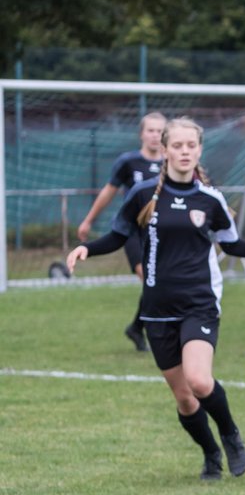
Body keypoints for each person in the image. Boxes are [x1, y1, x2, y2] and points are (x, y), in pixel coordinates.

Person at [65, 117, 245, 481]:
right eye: (177, 146)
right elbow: (118, 236)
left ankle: (230, 435)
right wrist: (85, 248)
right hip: (156, 310)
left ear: (199, 150)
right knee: (184, 398)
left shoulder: (210, 199)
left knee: (199, 380)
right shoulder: (143, 195)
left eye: (190, 146)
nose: (184, 152)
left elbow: (232, 244)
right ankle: (210, 454)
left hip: (199, 303)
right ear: (164, 150)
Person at [77, 111, 167, 352]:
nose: (155, 135)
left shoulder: (171, 164)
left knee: (156, 283)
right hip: (132, 233)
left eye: (160, 131)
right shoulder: (128, 162)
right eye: (151, 130)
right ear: (141, 134)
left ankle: (136, 327)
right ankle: (147, 329)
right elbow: (108, 191)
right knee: (148, 279)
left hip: (160, 235)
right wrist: (88, 221)